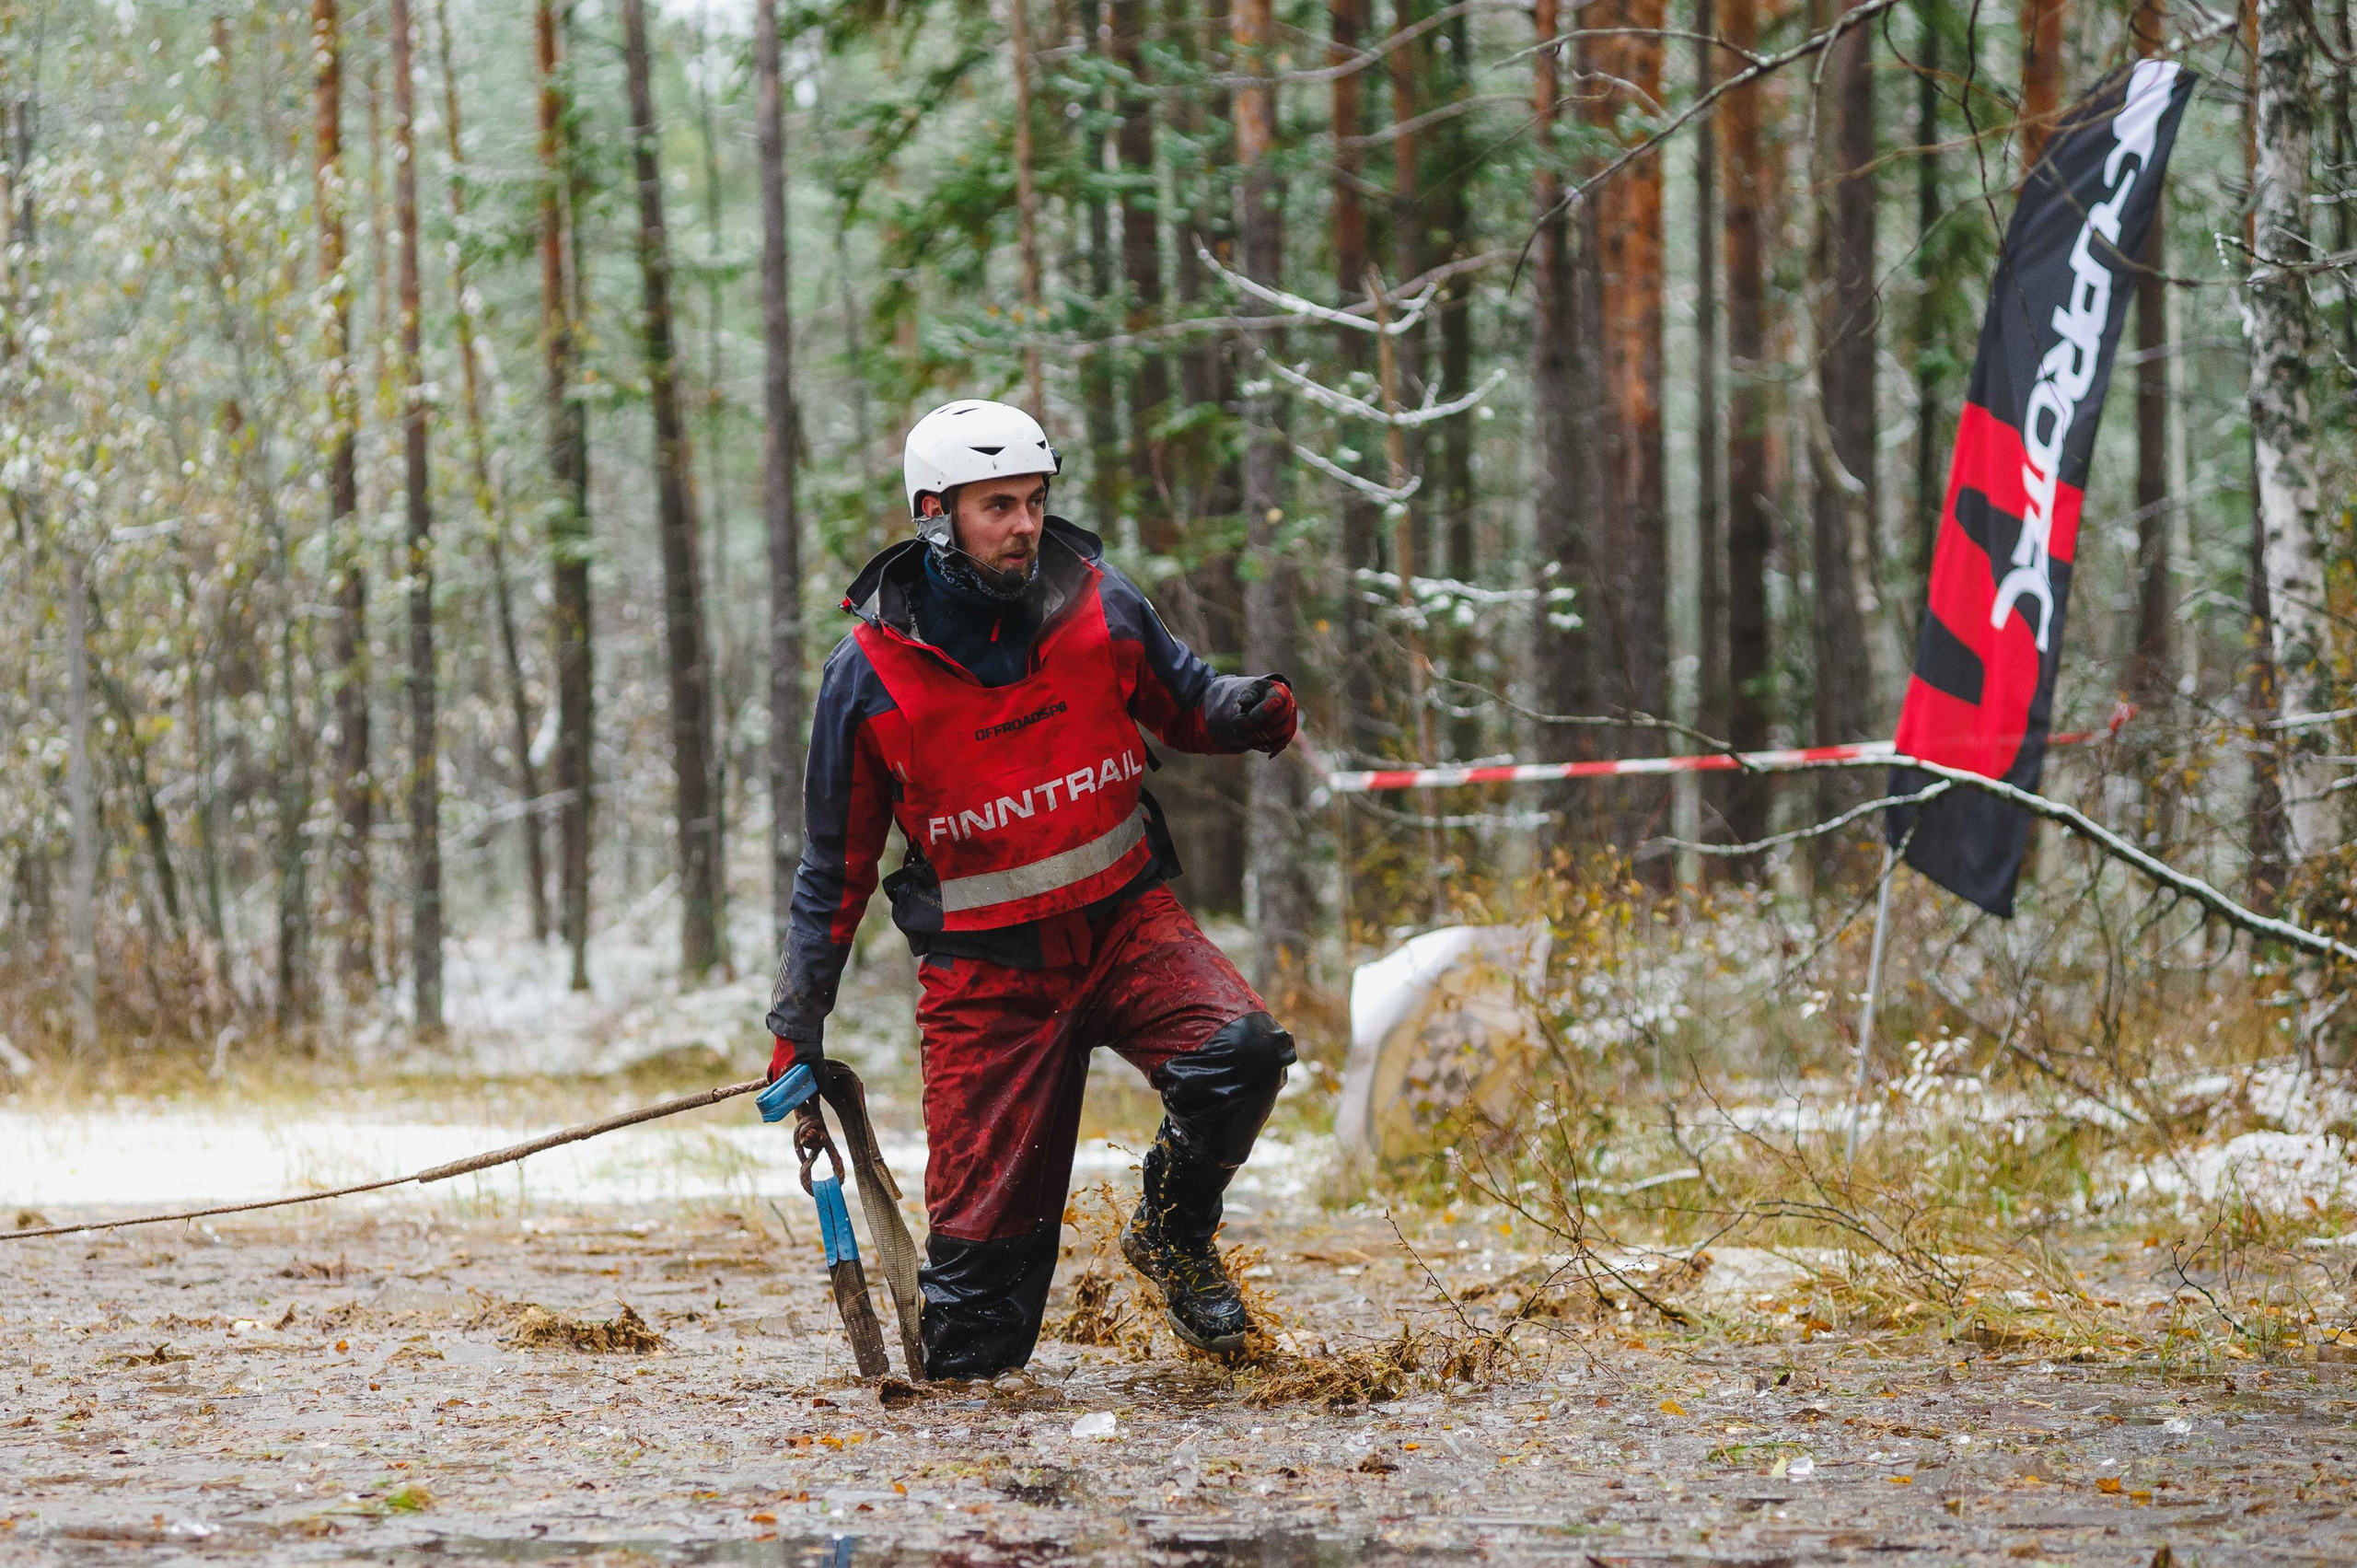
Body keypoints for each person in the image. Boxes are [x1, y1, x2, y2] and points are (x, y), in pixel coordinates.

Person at [765, 398, 1302, 1380]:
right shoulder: (867, 676)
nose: (1025, 525)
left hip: (1125, 926)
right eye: (998, 506)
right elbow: (831, 871)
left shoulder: (1099, 601)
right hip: (988, 985)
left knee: (1243, 1055)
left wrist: (1244, 712)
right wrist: (795, 1027)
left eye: (1035, 500)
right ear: (937, 515)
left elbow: (1184, 700)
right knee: (974, 1338)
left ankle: (1173, 1237)